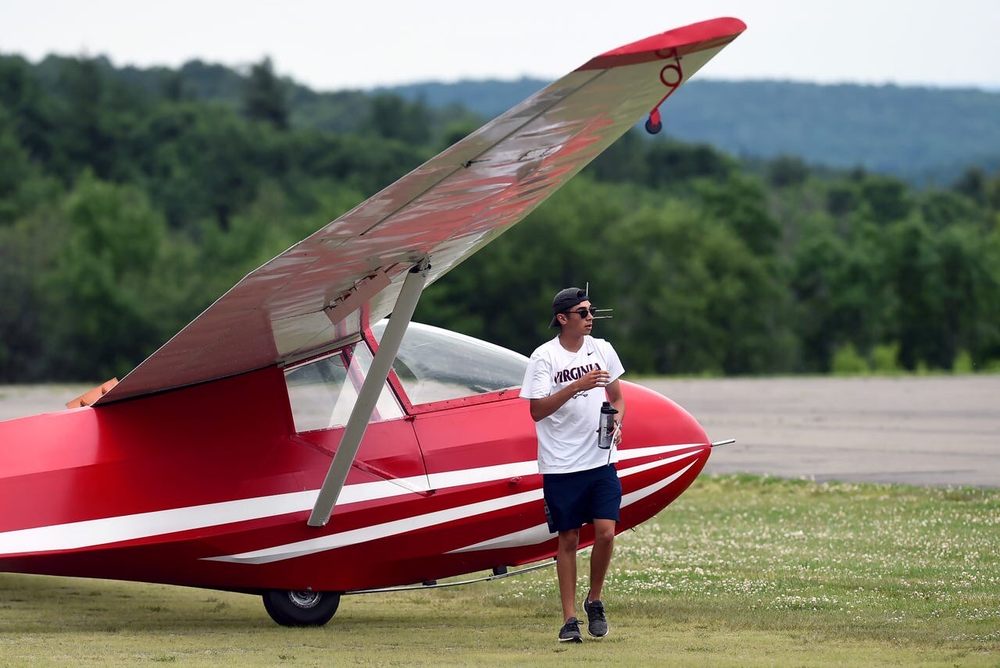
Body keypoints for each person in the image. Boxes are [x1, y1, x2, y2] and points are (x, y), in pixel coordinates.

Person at [519, 287, 625, 642]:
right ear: (563, 319)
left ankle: (594, 599)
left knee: (607, 532)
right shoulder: (544, 357)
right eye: (582, 312)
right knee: (568, 537)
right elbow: (537, 410)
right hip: (561, 463)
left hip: (601, 457)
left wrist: (617, 423)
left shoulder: (603, 349)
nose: (590, 317)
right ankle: (568, 620)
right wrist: (577, 386)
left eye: (591, 310)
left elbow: (618, 397)